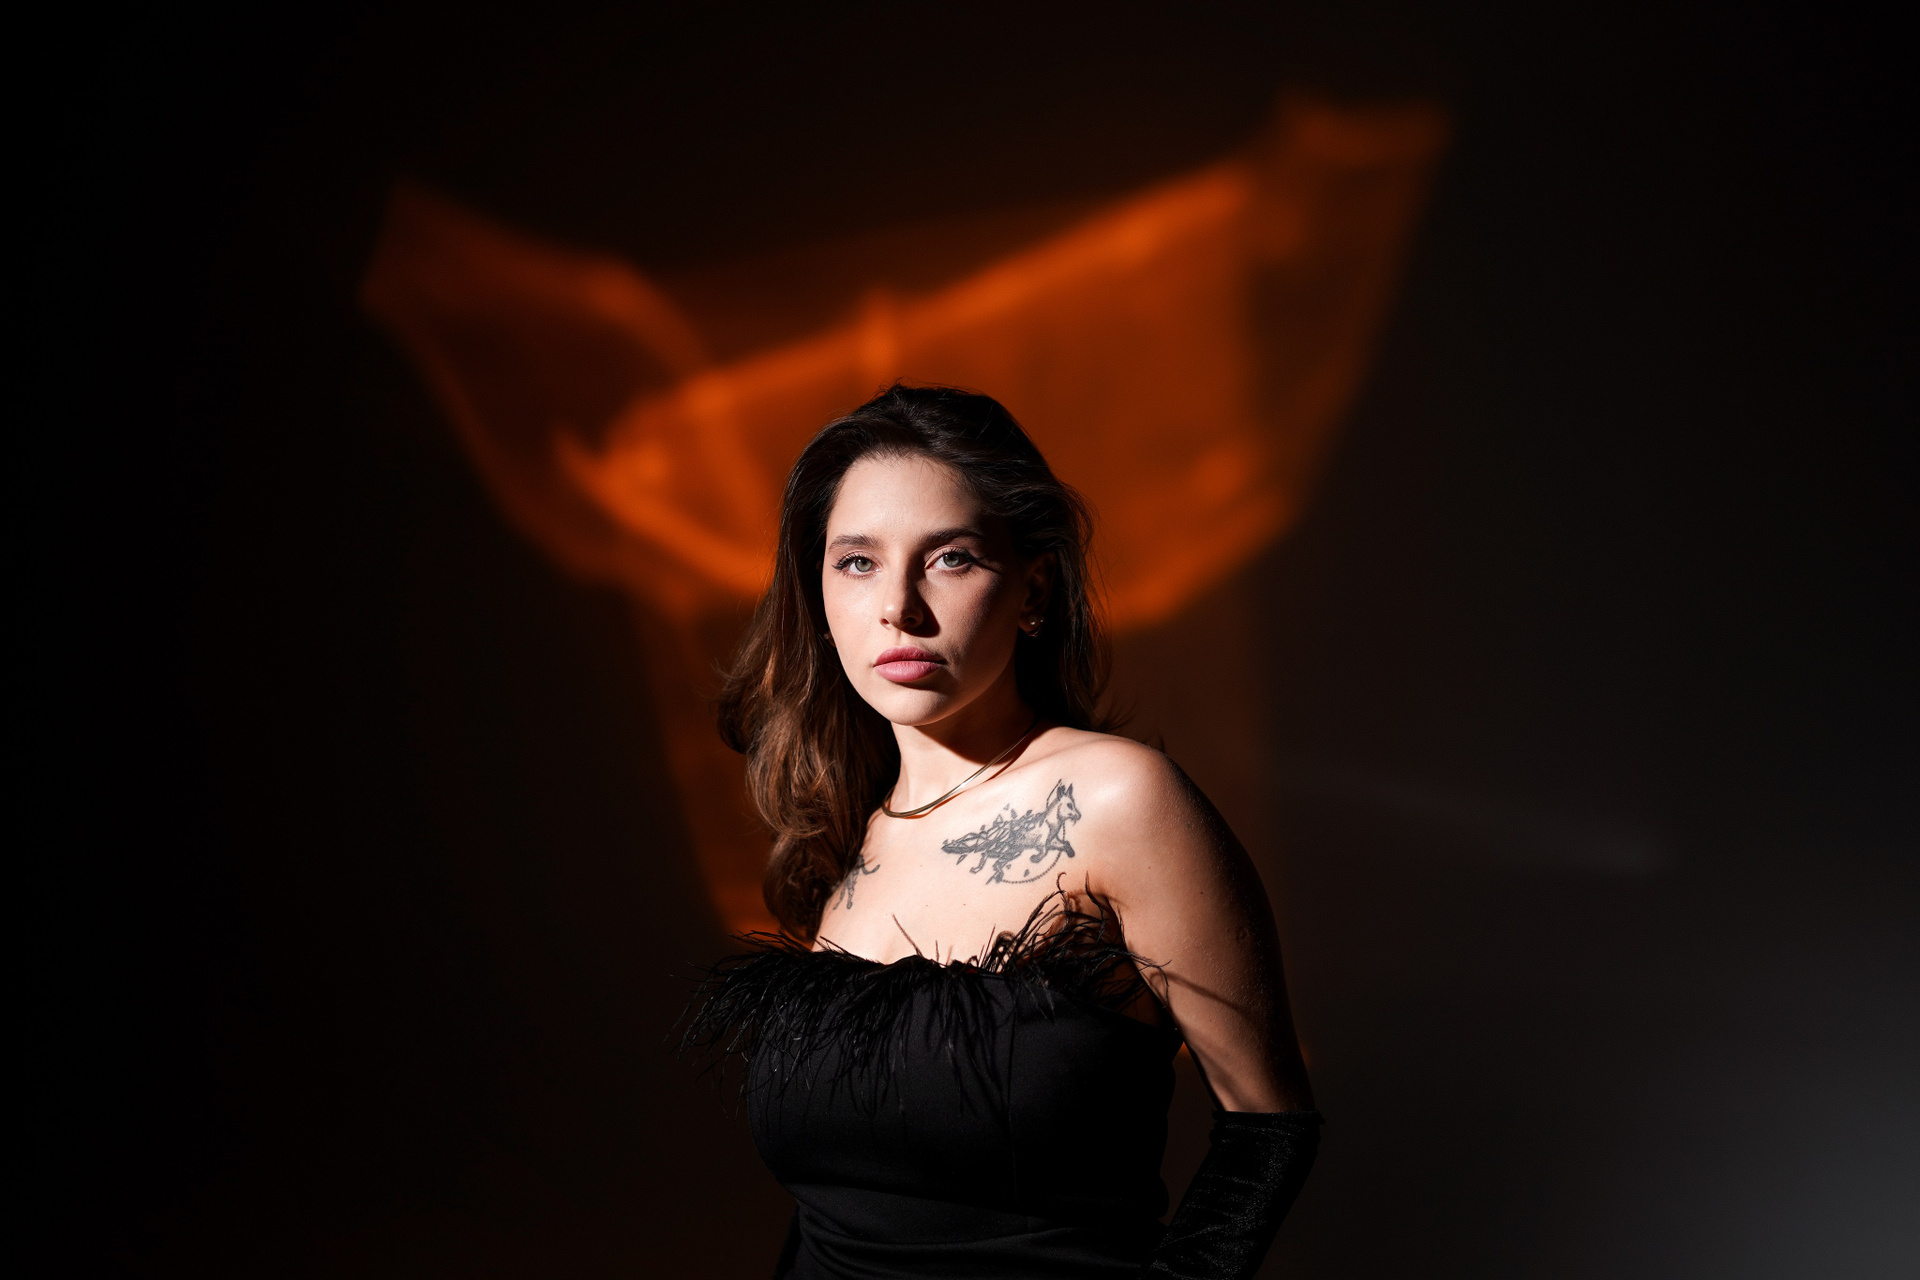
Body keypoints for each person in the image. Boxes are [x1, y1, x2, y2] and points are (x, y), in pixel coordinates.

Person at [686, 384, 1320, 1279]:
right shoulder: (853, 835)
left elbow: (1268, 1128)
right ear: (818, 594)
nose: (898, 607)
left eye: (950, 558)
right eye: (857, 562)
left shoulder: (1116, 800)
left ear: (1034, 588)